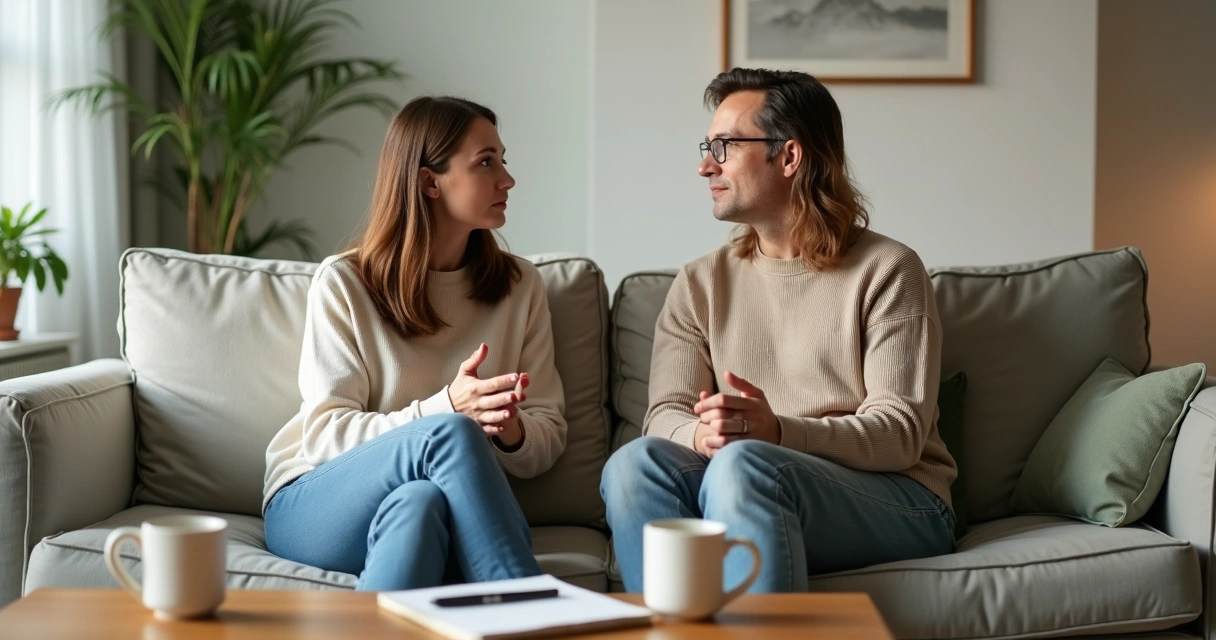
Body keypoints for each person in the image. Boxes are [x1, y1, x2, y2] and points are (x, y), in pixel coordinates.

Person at [601, 68, 957, 593]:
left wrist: (779, 433)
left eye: (724, 147)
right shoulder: (700, 283)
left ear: (789, 157)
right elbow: (663, 415)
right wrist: (702, 435)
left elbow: (900, 434)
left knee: (744, 466)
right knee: (633, 465)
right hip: (743, 482)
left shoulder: (888, 269)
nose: (705, 166)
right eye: (707, 147)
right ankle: (673, 626)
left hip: (899, 499)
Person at [262, 96, 566, 591]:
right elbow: (323, 437)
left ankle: (386, 623)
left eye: (502, 161)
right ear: (429, 181)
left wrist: (509, 428)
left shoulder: (520, 287)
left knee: (420, 501)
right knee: (451, 432)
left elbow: (547, 434)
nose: (507, 179)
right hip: (315, 502)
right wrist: (448, 408)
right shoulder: (345, 283)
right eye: (486, 162)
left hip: (424, 502)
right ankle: (525, 601)